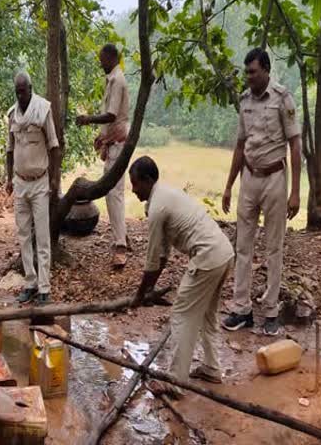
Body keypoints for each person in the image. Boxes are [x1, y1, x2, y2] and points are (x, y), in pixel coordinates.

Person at [130, 156, 235, 396]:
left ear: (148, 180)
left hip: (208, 257)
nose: (134, 190)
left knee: (181, 315)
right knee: (207, 314)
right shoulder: (163, 196)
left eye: (136, 183)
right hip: (223, 253)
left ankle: (175, 383)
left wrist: (140, 294)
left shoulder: (158, 207)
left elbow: (152, 260)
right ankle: (211, 368)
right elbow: (163, 255)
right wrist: (147, 291)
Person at [221, 48, 301, 336]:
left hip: (275, 179)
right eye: (247, 72)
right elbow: (240, 146)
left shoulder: (282, 98)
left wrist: (295, 192)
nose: (249, 77)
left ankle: (270, 312)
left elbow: (294, 144)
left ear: (266, 70)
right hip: (249, 179)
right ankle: (241, 309)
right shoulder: (244, 102)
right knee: (242, 246)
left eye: (253, 72)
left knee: (273, 247)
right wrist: (229, 185)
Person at [5, 72, 60, 306]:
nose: (20, 96)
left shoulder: (43, 109)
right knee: (23, 235)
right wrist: (8, 178)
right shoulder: (12, 115)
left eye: (23, 91)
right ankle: (30, 284)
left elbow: (54, 146)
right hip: (19, 182)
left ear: (31, 88)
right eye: (17, 92)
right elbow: (9, 149)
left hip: (40, 182)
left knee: (43, 236)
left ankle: (45, 288)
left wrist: (55, 178)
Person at [75, 44, 130, 268]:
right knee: (114, 193)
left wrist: (88, 119)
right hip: (112, 143)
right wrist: (101, 136)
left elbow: (111, 115)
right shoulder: (112, 80)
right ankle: (121, 236)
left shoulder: (117, 81)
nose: (100, 63)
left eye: (102, 59)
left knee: (114, 193)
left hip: (118, 145)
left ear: (111, 58)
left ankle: (120, 246)